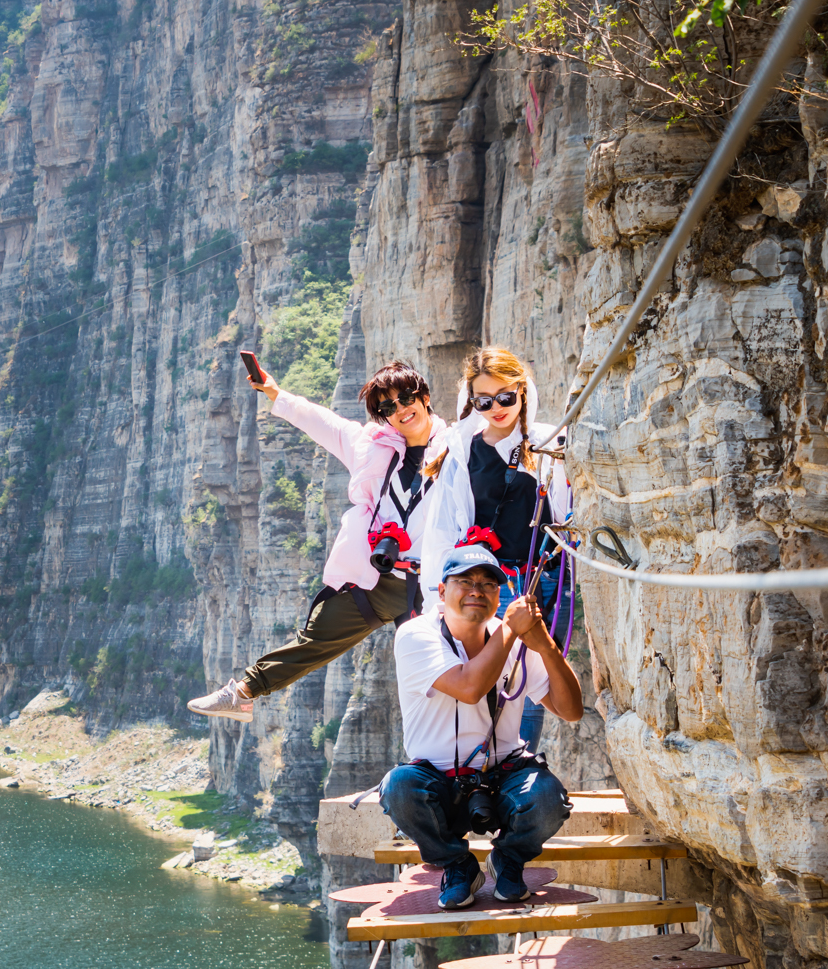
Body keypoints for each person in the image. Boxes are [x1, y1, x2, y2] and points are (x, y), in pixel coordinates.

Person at [189, 358, 447, 721]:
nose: (401, 410)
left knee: (436, 675)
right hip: (378, 576)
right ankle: (244, 693)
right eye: (388, 407)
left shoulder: (459, 448)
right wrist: (276, 394)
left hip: (435, 587)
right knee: (318, 636)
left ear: (424, 395)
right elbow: (325, 424)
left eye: (406, 398)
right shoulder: (373, 448)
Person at [380, 544, 582, 909]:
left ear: (498, 594)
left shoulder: (514, 640)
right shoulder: (415, 636)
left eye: (489, 584)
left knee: (549, 796)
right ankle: (457, 865)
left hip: (502, 773)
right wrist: (511, 629)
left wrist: (545, 646)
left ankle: (509, 858)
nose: (477, 590)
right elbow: (470, 687)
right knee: (398, 788)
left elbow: (571, 710)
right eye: (465, 581)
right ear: (442, 592)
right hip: (437, 781)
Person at [416, 346, 573, 748]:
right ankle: (478, 770)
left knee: (532, 671)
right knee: (486, 673)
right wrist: (438, 591)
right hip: (489, 582)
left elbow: (570, 514)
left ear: (523, 390)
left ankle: (518, 759)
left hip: (543, 580)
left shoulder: (550, 443)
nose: (497, 407)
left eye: (505, 396)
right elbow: (444, 527)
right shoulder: (463, 450)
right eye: (484, 401)